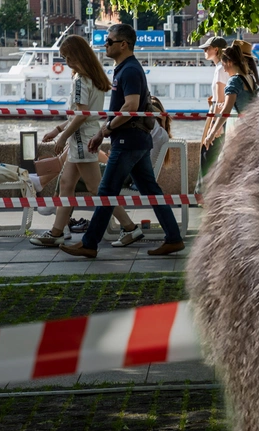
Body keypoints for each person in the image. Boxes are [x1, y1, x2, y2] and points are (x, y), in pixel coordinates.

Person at [59, 24, 185, 258]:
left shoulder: (129, 70)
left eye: (109, 42)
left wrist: (103, 131)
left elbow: (130, 107)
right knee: (151, 190)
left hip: (128, 141)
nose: (105, 45)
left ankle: (89, 243)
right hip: (135, 140)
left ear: (123, 44)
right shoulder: (125, 69)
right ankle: (174, 238)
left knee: (106, 191)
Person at [29, 35, 142, 248]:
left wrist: (62, 135)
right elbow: (85, 115)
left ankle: (129, 227)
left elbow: (80, 115)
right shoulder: (94, 77)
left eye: (67, 57)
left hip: (81, 140)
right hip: (86, 135)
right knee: (66, 184)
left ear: (76, 55)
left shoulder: (81, 79)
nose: (65, 62)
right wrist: (60, 129)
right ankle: (56, 232)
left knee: (95, 188)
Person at [203, 45, 257, 149]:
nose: (224, 70)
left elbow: (226, 110)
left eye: (224, 65)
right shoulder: (250, 78)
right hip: (250, 127)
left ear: (229, 63)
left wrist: (211, 133)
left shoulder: (234, 81)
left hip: (237, 129)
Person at [197, 36, 228, 191]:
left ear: (216, 50)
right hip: (218, 114)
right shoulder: (221, 67)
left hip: (217, 116)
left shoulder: (221, 68)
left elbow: (221, 99)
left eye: (207, 48)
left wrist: (215, 127)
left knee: (207, 154)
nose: (204, 51)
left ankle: (205, 193)